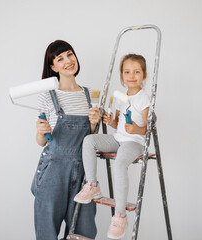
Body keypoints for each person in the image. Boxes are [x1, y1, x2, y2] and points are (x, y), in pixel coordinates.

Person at [74, 54, 150, 239]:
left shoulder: (144, 98)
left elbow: (147, 129)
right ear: (121, 75)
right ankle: (92, 185)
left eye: (136, 72)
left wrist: (137, 128)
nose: (131, 76)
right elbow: (117, 124)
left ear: (144, 75)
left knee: (119, 164)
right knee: (89, 141)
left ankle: (120, 216)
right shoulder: (120, 97)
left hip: (135, 143)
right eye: (127, 72)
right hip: (118, 138)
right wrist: (112, 121)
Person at [31, 40, 100, 240]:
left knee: (83, 233)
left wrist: (94, 125)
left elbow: (91, 139)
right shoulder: (46, 95)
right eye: (60, 58)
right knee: (47, 233)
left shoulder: (90, 96)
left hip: (84, 175)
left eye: (70, 54)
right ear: (53, 67)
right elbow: (41, 142)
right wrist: (40, 131)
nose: (68, 61)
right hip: (52, 172)